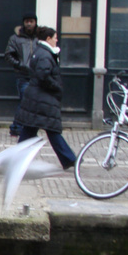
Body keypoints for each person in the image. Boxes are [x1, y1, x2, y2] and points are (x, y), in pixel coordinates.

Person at [13, 26, 77, 170]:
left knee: (30, 130)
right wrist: (57, 87)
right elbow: (43, 76)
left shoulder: (40, 52)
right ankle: (69, 159)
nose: (57, 40)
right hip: (42, 100)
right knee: (51, 129)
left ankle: (16, 158)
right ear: (48, 39)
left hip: (36, 99)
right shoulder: (45, 55)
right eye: (55, 38)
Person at [5, 13, 39, 137]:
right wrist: (20, 65)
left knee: (34, 102)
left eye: (31, 21)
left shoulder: (39, 39)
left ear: (35, 23)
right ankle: (17, 127)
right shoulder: (15, 38)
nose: (29, 24)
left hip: (37, 76)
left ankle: (24, 127)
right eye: (26, 21)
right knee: (25, 101)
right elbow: (8, 55)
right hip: (23, 75)